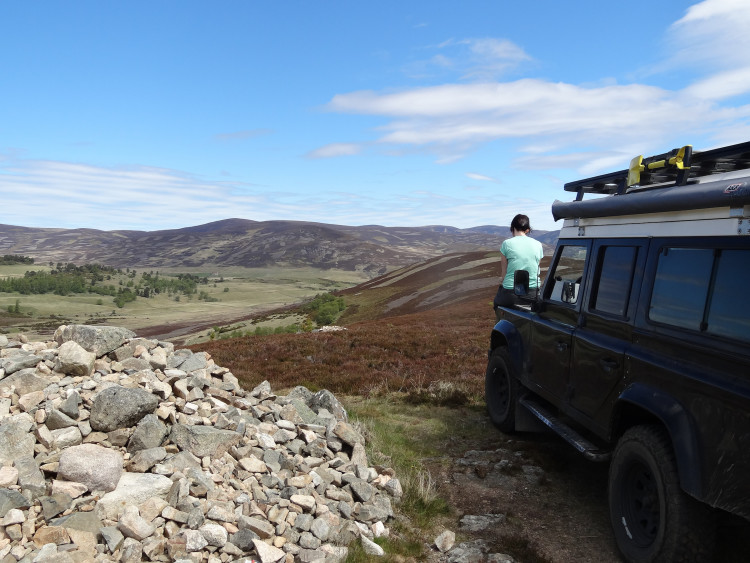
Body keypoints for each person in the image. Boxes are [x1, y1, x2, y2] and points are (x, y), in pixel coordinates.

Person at [493, 214, 543, 315]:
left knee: (497, 305)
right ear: (527, 230)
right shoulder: (538, 244)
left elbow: (504, 271)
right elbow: (537, 266)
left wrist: (501, 279)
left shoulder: (506, 244)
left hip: (511, 292)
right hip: (533, 292)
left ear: (512, 228)